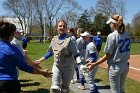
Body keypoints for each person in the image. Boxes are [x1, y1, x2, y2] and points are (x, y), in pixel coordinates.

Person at [0, 21, 52, 93]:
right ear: (11, 34)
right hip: (9, 84)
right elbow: (24, 67)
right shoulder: (13, 50)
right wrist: (42, 72)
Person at [86, 15, 131, 93]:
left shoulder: (112, 36)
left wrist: (94, 64)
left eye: (110, 23)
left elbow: (108, 55)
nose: (109, 25)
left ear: (113, 24)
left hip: (115, 67)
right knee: (122, 89)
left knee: (115, 91)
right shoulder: (127, 33)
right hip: (125, 65)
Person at [35, 20, 82, 93]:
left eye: (64, 26)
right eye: (60, 26)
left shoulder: (71, 39)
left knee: (65, 89)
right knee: (55, 88)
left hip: (68, 67)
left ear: (66, 28)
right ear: (57, 27)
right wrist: (40, 60)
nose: (62, 27)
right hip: (57, 66)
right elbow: (50, 52)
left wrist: (80, 65)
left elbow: (76, 53)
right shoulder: (54, 39)